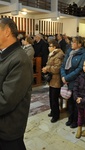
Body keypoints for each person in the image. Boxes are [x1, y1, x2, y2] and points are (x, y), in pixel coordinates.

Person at [0, 18, 33, 150]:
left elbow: (6, 100)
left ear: (7, 31)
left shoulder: (20, 60)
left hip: (8, 129)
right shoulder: (5, 54)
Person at [61, 36, 85, 128]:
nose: (71, 44)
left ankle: (76, 120)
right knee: (69, 102)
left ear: (79, 44)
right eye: (72, 42)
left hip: (77, 81)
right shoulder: (69, 52)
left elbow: (80, 69)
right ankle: (70, 118)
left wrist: (67, 78)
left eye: (74, 42)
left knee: (75, 102)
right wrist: (63, 76)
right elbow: (63, 65)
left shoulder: (84, 54)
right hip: (67, 80)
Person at [42, 40, 64, 123]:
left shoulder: (59, 55)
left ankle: (56, 115)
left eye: (50, 46)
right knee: (51, 97)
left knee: (54, 98)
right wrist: (46, 68)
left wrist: (47, 68)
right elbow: (50, 64)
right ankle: (53, 111)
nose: (48, 47)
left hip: (56, 79)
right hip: (52, 79)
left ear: (54, 47)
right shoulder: (52, 54)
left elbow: (57, 69)